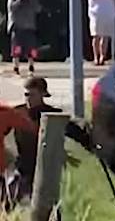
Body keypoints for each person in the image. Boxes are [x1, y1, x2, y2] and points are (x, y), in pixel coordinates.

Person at [6, 77, 92, 208]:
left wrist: (92, 143)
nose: (28, 99)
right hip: (23, 167)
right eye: (26, 95)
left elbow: (76, 133)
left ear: (42, 94)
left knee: (47, 207)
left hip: (46, 169)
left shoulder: (53, 115)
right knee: (7, 199)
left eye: (32, 95)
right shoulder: (18, 113)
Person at [7, 0, 42, 76]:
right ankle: (16, 67)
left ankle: (31, 66)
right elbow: (12, 8)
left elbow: (38, 9)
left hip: (30, 27)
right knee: (16, 49)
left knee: (32, 49)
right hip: (17, 27)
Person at [86, 0, 115, 65]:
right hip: (96, 12)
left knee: (106, 36)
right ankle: (96, 57)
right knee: (96, 35)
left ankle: (103, 57)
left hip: (108, 12)